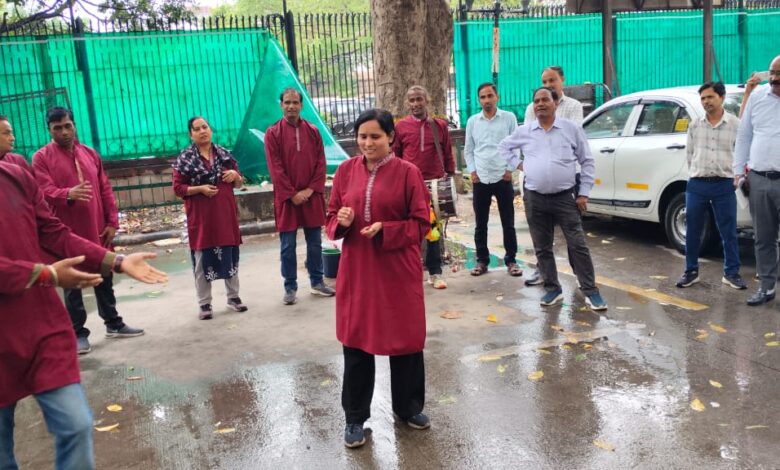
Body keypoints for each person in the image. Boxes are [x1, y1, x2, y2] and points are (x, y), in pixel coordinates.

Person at [0, 161, 167, 470]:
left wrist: (115, 261)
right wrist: (46, 273)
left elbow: (53, 233)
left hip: (41, 327)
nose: (9, 136)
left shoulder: (16, 173)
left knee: (76, 424)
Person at [326, 109, 431, 449]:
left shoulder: (408, 173)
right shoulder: (344, 172)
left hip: (397, 269)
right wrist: (342, 222)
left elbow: (421, 223)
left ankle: (409, 407)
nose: (368, 143)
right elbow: (331, 218)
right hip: (358, 270)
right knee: (357, 342)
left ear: (390, 138)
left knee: (405, 339)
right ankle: (355, 418)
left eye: (375, 136)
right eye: (362, 136)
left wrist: (387, 228)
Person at [32, 107, 143, 355]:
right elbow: (42, 190)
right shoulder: (41, 158)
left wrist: (112, 222)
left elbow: (105, 189)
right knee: (73, 283)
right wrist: (67, 194)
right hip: (67, 233)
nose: (64, 132)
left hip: (98, 229)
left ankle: (113, 323)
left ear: (74, 125)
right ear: (49, 130)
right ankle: (78, 333)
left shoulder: (90, 153)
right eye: (57, 128)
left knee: (104, 275)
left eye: (67, 126)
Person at [498, 87, 607, 311]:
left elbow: (587, 160)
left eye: (545, 100)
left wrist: (584, 192)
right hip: (534, 198)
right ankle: (553, 289)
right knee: (542, 247)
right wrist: (519, 164)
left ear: (555, 103)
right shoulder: (526, 131)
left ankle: (590, 290)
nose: (540, 104)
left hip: (565, 198)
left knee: (577, 244)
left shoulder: (570, 129)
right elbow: (503, 147)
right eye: (536, 101)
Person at [265, 87, 335, 305]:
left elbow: (321, 163)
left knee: (315, 243)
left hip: (311, 196)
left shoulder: (313, 131)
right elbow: (275, 168)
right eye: (287, 102)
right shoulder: (273, 133)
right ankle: (290, 287)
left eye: (295, 102)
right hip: (287, 199)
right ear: (281, 105)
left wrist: (310, 190)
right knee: (287, 246)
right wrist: (291, 193)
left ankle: (317, 282)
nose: (291, 107)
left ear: (301, 105)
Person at [173, 116, 248, 320]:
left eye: (205, 127)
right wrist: (199, 189)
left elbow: (239, 183)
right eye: (197, 129)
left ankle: (233, 298)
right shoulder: (185, 159)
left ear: (211, 130)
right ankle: (204, 304)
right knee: (202, 261)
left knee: (230, 256)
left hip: (225, 216)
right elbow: (178, 189)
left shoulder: (224, 155)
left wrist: (235, 175)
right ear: (191, 134)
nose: (202, 131)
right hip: (202, 219)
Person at [675, 82, 746, 290]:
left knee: (728, 231)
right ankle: (691, 271)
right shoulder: (695, 125)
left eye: (710, 97)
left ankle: (731, 273)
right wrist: (695, 174)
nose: (706, 101)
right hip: (697, 184)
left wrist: (736, 176)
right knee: (693, 230)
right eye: (703, 98)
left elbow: (741, 153)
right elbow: (690, 154)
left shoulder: (735, 124)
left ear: (721, 97)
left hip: (724, 184)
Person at [523, 66, 585, 287]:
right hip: (539, 179)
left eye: (552, 80)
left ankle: (580, 274)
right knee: (541, 233)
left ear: (562, 80)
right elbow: (530, 138)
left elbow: (572, 138)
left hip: (569, 177)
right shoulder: (532, 107)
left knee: (573, 233)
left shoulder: (574, 106)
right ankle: (543, 271)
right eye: (544, 81)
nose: (548, 85)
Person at [392, 85, 456, 289]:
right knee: (408, 231)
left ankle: (435, 273)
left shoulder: (439, 126)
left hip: (433, 186)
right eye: (412, 100)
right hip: (410, 186)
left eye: (419, 99)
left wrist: (450, 177)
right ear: (407, 103)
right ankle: (409, 273)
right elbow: (396, 156)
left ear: (427, 100)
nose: (416, 104)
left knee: (433, 231)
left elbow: (447, 153)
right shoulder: (400, 127)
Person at [734, 55, 780, 306]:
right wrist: (738, 172)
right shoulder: (758, 97)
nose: (774, 79)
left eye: (779, 74)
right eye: (772, 73)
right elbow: (744, 136)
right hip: (759, 179)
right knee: (763, 238)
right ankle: (767, 287)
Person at [464, 83, 522, 277]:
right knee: (481, 223)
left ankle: (511, 260)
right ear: (479, 100)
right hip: (480, 178)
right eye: (483, 97)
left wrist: (510, 169)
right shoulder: (473, 121)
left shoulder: (508, 118)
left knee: (508, 222)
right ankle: (482, 261)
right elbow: (469, 149)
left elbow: (515, 146)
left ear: (497, 97)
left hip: (502, 177)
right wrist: (472, 172)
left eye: (490, 96)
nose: (487, 100)